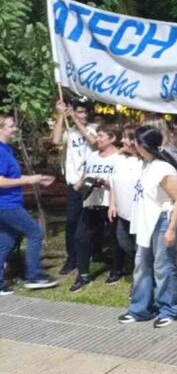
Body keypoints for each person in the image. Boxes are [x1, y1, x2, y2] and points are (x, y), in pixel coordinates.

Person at [118, 126, 177, 328]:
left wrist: (171, 229)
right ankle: (140, 308)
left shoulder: (163, 168)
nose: (131, 144)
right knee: (142, 265)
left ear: (144, 145)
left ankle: (168, 309)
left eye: (135, 141)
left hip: (162, 221)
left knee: (163, 266)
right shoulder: (146, 165)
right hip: (146, 221)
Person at [0, 115, 58, 293]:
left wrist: (37, 178)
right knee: (35, 233)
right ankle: (34, 277)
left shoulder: (6, 149)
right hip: (6, 205)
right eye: (11, 126)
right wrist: (27, 180)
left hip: (8, 203)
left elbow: (12, 176)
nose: (15, 129)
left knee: (6, 242)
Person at [70, 125, 120, 293]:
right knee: (81, 237)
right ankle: (83, 274)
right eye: (97, 136)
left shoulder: (119, 158)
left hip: (110, 203)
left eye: (101, 136)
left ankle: (117, 269)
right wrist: (81, 184)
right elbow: (85, 176)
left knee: (114, 238)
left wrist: (104, 182)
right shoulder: (92, 156)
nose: (97, 139)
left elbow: (121, 182)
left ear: (112, 138)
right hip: (91, 202)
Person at [51, 99, 97, 275]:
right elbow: (55, 140)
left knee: (90, 221)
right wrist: (61, 115)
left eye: (85, 112)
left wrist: (75, 119)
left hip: (90, 182)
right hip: (74, 184)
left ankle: (92, 252)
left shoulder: (92, 129)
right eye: (79, 112)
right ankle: (72, 258)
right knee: (72, 222)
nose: (83, 115)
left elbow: (93, 141)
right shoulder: (69, 133)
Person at [107, 125, 142, 284]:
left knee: (140, 247)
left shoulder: (145, 161)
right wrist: (112, 204)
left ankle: (141, 280)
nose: (122, 140)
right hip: (123, 212)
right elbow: (113, 183)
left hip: (138, 213)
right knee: (124, 242)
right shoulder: (119, 159)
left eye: (125, 137)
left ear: (135, 140)